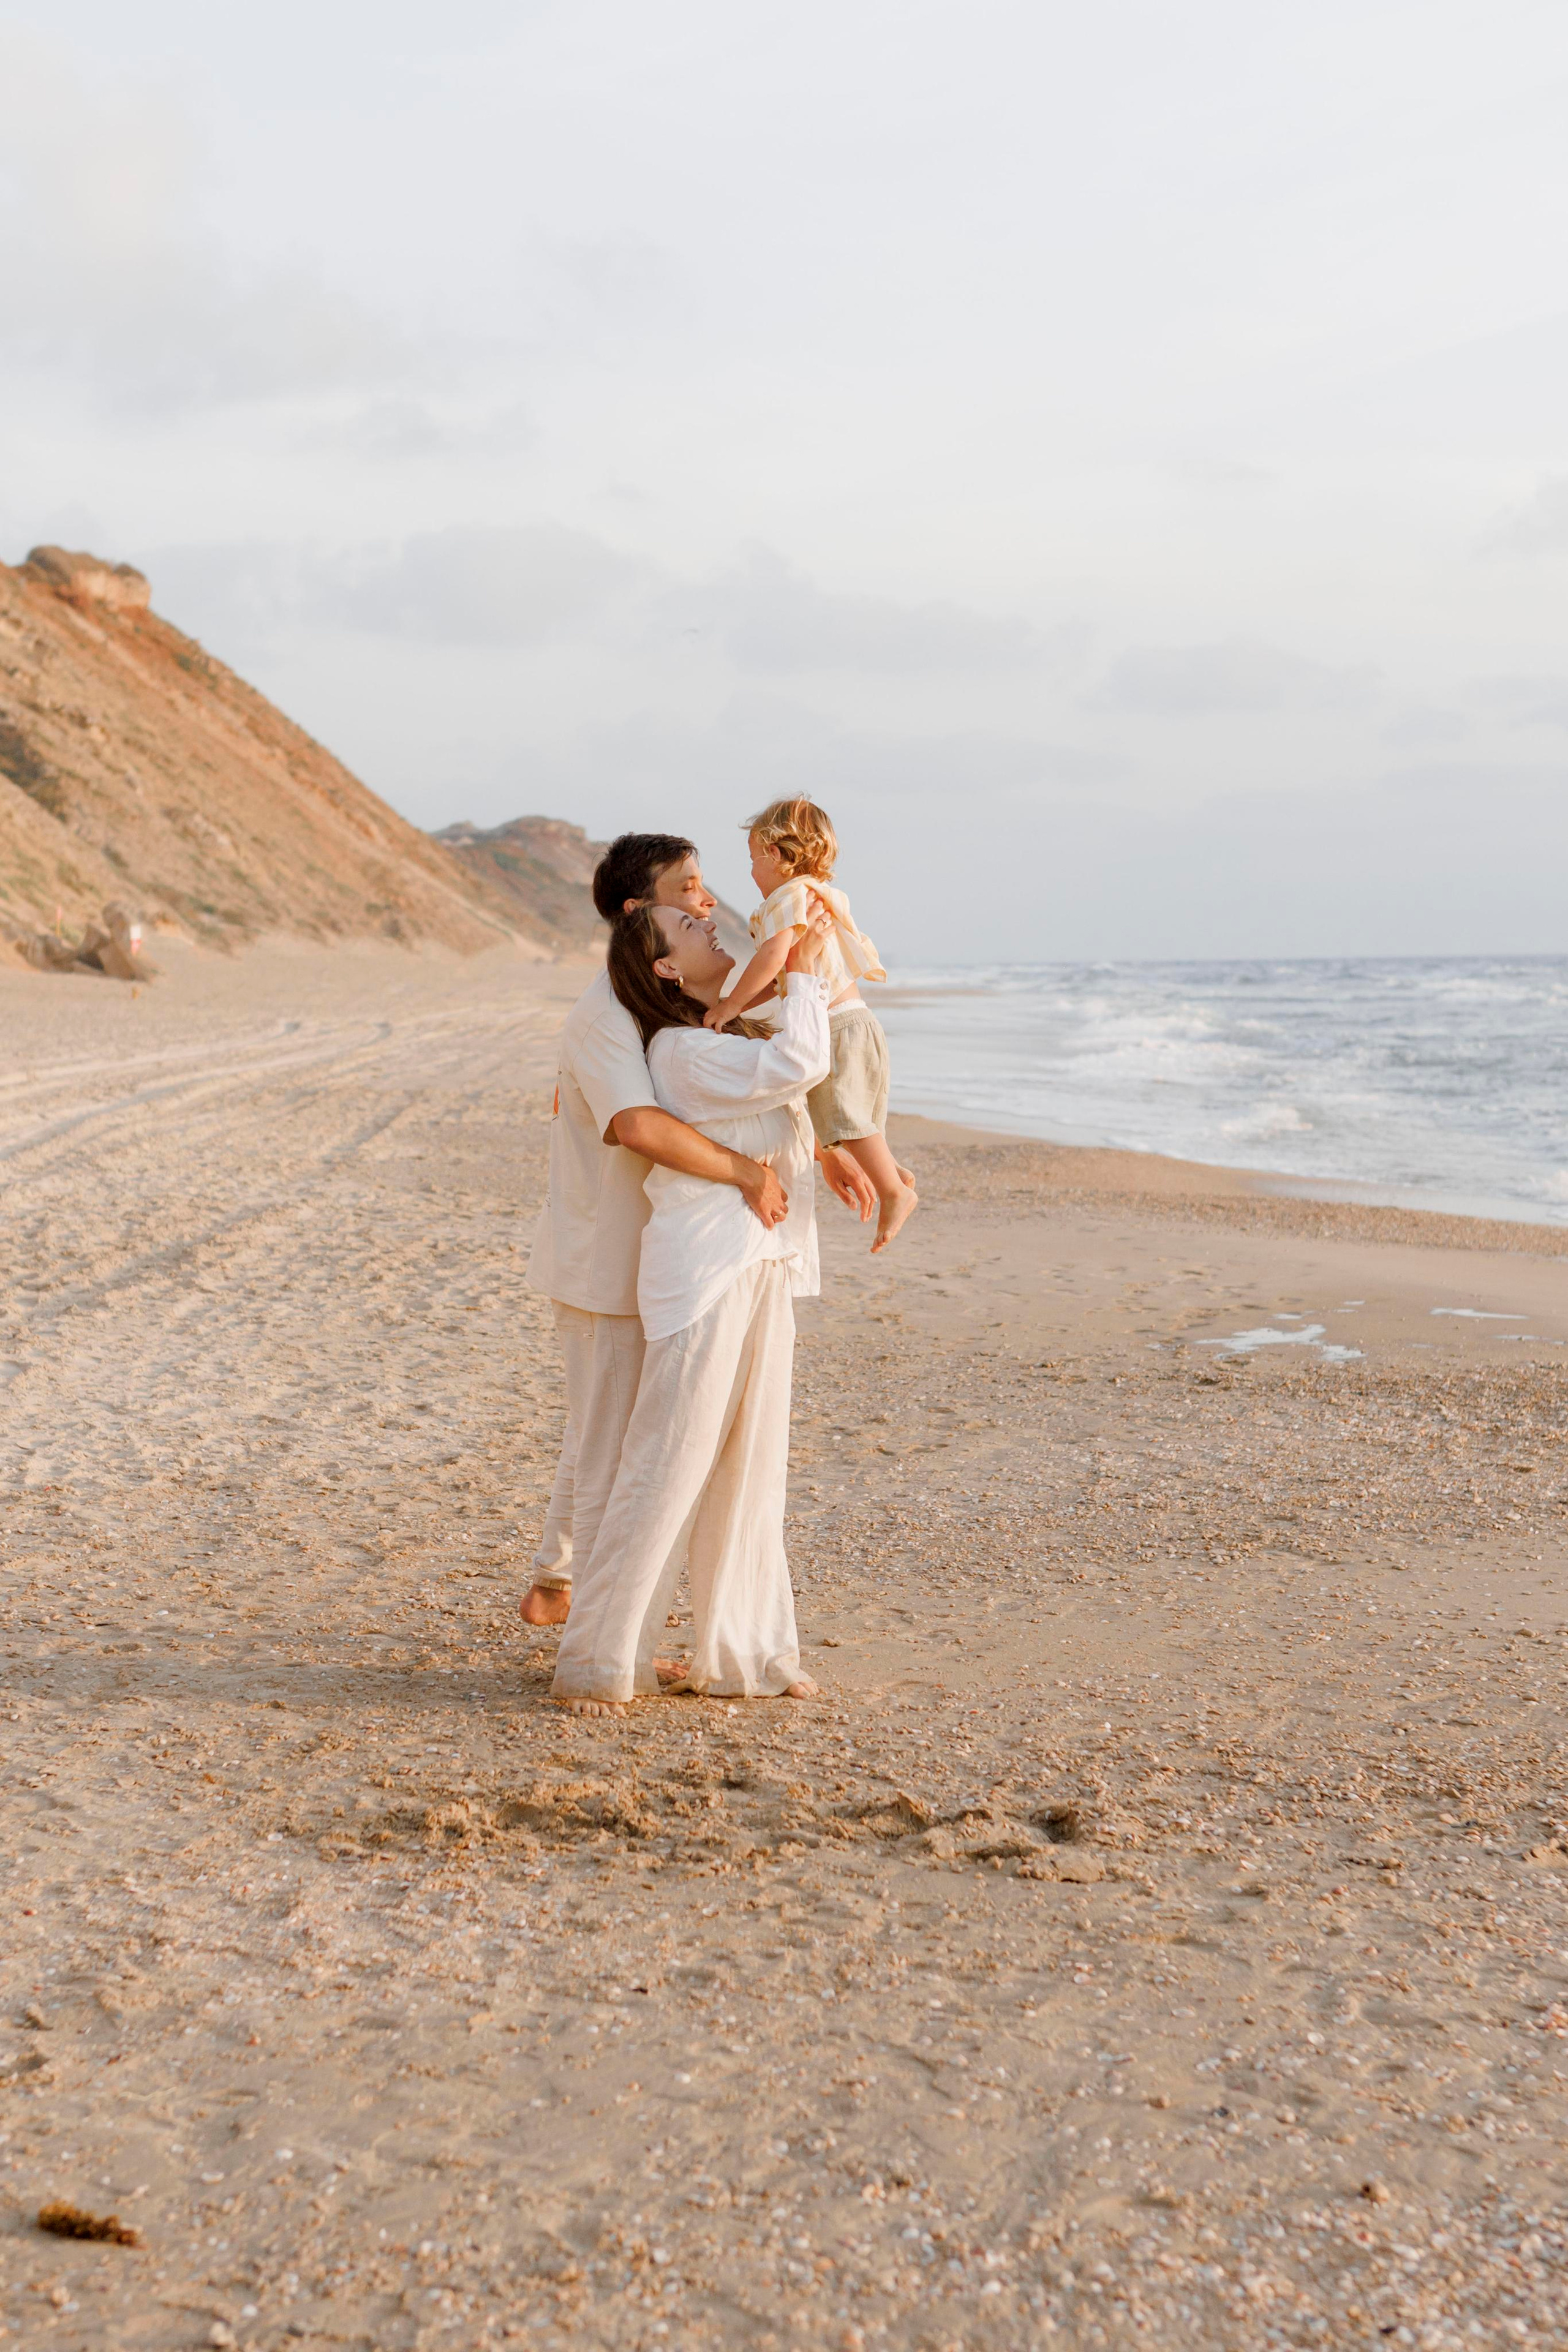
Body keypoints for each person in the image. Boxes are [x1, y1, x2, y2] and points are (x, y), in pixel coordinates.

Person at [521, 832, 873, 1631]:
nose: (707, 901)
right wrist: (748, 1175)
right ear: (637, 914)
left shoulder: (666, 1002)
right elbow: (640, 1125)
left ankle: (557, 1587)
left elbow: (737, 1093)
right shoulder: (608, 1013)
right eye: (687, 890)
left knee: (608, 1435)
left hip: (658, 1246)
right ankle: (590, 1623)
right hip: (607, 1256)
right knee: (613, 1447)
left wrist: (825, 1149)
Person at [549, 897, 837, 1714]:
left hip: (762, 1261)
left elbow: (792, 1098)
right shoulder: (677, 1052)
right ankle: (598, 1660)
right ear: (666, 969)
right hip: (706, 1271)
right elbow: (802, 1062)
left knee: (752, 1469)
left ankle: (750, 1649)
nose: (709, 923)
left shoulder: (721, 1038)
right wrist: (806, 976)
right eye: (687, 926)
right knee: (667, 1464)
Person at [706, 795, 917, 1253]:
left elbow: (772, 958)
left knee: (844, 1114)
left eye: (753, 860)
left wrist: (731, 1005)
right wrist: (735, 1007)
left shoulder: (788, 897)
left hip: (837, 1026)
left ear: (775, 855)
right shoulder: (812, 894)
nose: (751, 872)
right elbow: (781, 979)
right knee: (846, 1114)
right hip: (855, 1022)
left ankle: (893, 1191)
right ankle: (892, 1173)